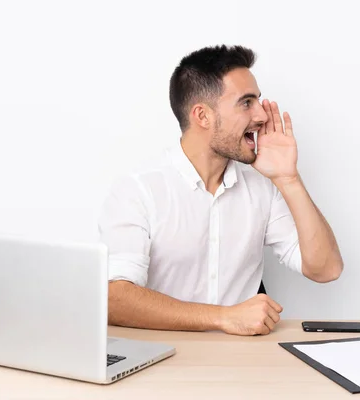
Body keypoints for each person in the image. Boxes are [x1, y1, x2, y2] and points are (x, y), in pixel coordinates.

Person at [98, 45, 343, 336]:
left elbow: (326, 269)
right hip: (161, 360)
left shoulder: (262, 187)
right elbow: (115, 299)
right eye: (246, 103)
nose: (262, 115)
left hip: (241, 363)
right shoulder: (138, 190)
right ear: (203, 116)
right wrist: (224, 317)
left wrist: (289, 178)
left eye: (259, 101)